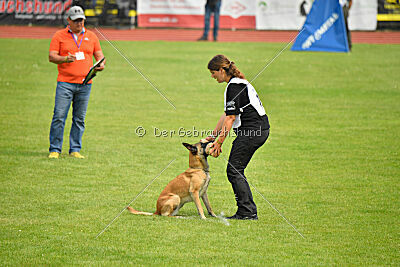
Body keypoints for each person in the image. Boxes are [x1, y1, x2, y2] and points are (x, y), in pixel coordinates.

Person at [206, 55, 270, 220]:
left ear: (222, 70)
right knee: (235, 169)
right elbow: (227, 114)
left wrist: (219, 142)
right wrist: (213, 136)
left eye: (213, 73)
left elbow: (230, 119)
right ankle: (247, 210)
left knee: (234, 170)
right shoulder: (237, 83)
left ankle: (247, 211)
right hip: (258, 130)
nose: (212, 76)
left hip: (252, 131)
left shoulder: (234, 87)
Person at [48, 6, 105, 159]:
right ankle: (55, 149)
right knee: (59, 116)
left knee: (79, 118)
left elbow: (100, 56)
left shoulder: (92, 36)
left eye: (81, 20)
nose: (79, 23)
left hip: (85, 84)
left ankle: (75, 149)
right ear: (69, 21)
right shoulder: (59, 36)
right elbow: (52, 56)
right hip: (65, 83)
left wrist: (100, 65)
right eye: (76, 21)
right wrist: (65, 58)